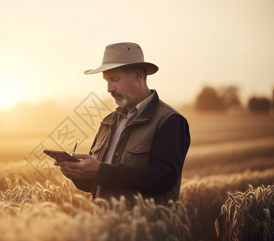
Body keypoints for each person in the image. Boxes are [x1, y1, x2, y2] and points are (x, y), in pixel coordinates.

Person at [55, 42, 190, 205]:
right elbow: (95, 184)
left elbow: (162, 179)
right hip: (103, 227)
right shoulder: (108, 121)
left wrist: (100, 170)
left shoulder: (170, 121)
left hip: (145, 229)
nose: (109, 88)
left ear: (138, 75)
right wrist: (77, 173)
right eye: (106, 80)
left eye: (115, 79)